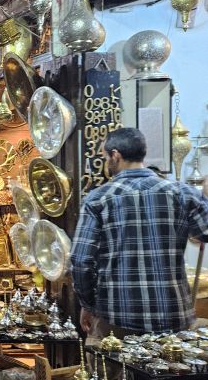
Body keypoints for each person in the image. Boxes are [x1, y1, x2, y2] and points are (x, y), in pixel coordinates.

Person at [70, 127, 208, 340]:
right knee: (167, 363)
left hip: (117, 316)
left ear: (115, 155)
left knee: (112, 363)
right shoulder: (182, 193)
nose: (107, 162)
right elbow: (204, 233)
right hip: (172, 316)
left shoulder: (98, 199)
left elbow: (81, 261)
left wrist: (87, 304)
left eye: (106, 157)